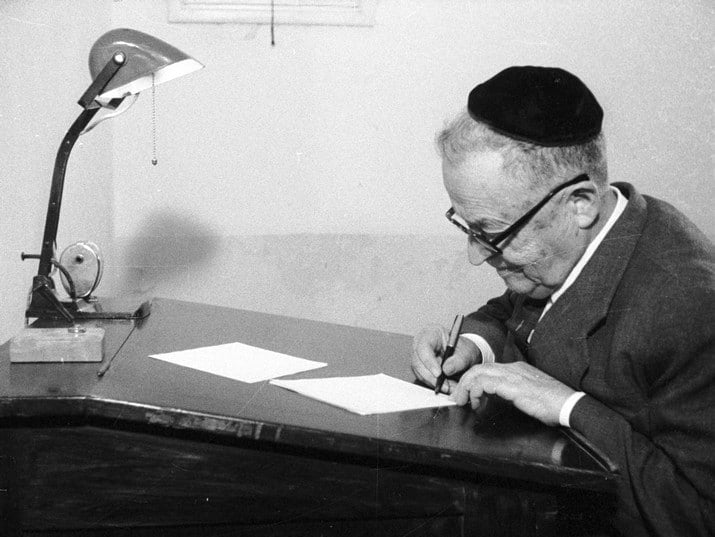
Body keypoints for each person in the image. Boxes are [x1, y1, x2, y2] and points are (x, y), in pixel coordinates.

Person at [411, 65, 714, 537]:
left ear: (580, 204)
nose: (475, 256)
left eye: (490, 233)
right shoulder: (592, 238)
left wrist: (567, 405)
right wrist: (473, 344)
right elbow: (518, 307)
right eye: (466, 227)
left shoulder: (690, 308)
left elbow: (699, 514)